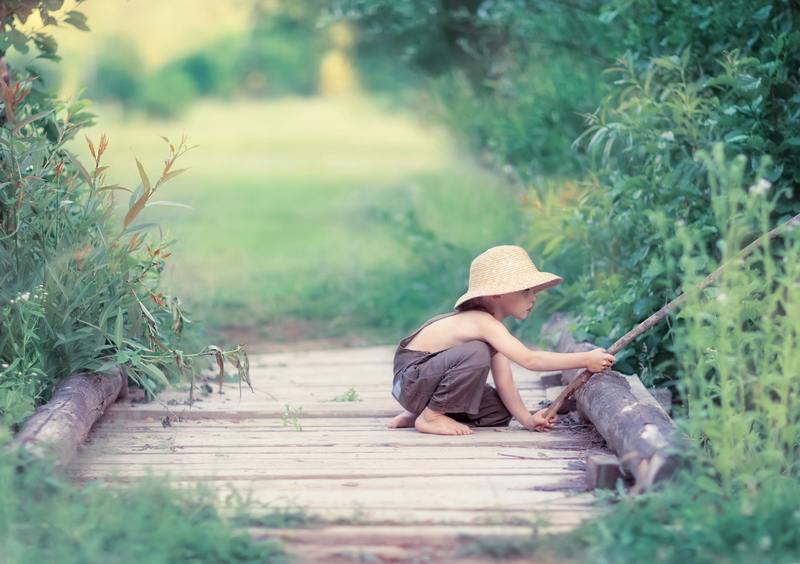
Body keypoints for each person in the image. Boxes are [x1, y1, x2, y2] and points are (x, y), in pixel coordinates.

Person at [387, 245, 616, 436]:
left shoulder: (490, 327)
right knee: (477, 352)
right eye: (526, 290)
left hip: (419, 388)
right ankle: (432, 416)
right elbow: (530, 360)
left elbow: (506, 383)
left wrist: (527, 419)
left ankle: (422, 411)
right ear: (497, 294)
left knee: (498, 412)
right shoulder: (479, 322)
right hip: (409, 381)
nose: (533, 297)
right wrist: (586, 359)